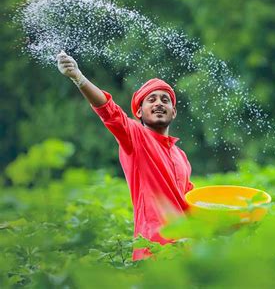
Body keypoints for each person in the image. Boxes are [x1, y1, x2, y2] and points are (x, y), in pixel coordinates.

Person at [56, 50, 194, 261]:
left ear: (173, 112)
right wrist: (79, 78)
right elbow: (109, 111)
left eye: (165, 100)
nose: (159, 103)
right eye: (152, 100)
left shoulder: (180, 155)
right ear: (139, 112)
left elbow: (191, 204)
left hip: (187, 253)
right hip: (153, 251)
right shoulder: (135, 137)